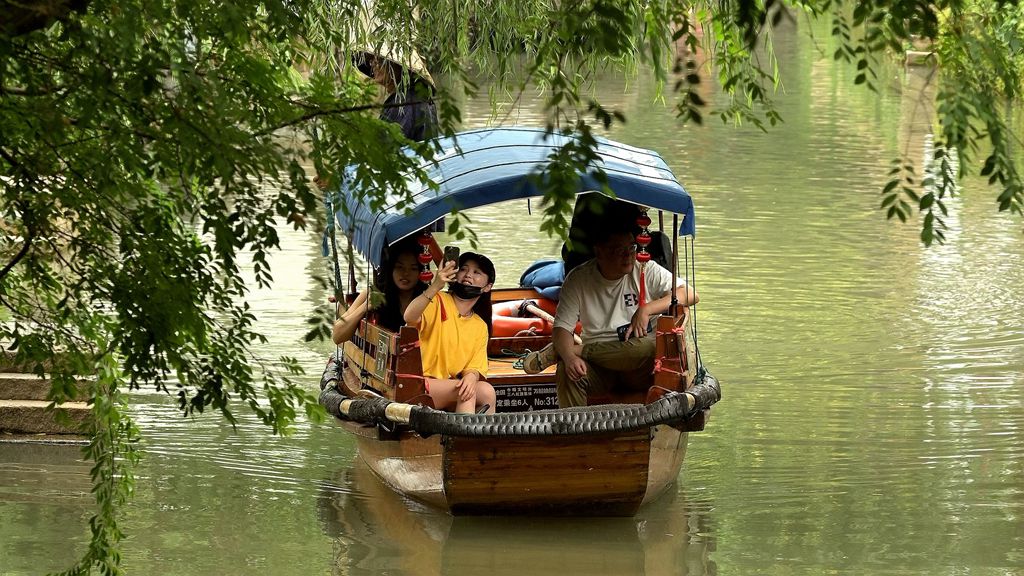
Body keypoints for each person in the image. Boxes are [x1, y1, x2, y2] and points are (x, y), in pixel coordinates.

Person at [523, 225, 699, 408]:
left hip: (638, 367)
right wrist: (569, 358)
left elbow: (691, 294)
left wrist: (646, 309)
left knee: (650, 346)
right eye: (619, 250)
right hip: (600, 369)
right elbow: (561, 328)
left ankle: (574, 350)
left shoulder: (646, 269)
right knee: (567, 371)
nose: (628, 255)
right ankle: (575, 432)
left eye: (631, 247)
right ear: (599, 252)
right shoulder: (579, 279)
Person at [403, 252, 497, 414]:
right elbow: (409, 316)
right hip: (416, 381)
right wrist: (435, 285)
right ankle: (463, 439)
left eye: (477, 272)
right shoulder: (437, 300)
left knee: (487, 391)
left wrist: (471, 377)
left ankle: (483, 439)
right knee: (465, 392)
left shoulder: (480, 325)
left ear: (488, 286)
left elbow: (475, 366)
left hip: (446, 384)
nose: (468, 275)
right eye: (464, 269)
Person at [332, 239, 425, 345]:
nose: (406, 273)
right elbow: (337, 336)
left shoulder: (428, 298)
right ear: (391, 269)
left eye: (413, 268)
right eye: (400, 267)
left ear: (420, 272)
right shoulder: (373, 293)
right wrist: (365, 307)